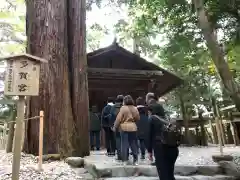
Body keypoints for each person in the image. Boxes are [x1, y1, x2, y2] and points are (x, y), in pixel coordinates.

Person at [147, 102, 179, 180]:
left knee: (163, 175)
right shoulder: (167, 119)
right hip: (173, 149)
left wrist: (149, 151)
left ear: (152, 111)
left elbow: (148, 136)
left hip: (161, 148)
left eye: (149, 111)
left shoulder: (152, 118)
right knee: (170, 174)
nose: (148, 113)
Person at [113, 95, 140, 165]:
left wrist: (115, 127)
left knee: (124, 144)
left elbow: (118, 119)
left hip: (124, 127)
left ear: (124, 101)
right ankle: (135, 160)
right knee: (133, 144)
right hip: (133, 127)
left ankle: (124, 160)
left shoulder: (123, 108)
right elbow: (138, 118)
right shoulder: (135, 108)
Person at [109, 95, 124, 161]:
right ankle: (125, 155)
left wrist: (112, 125)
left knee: (118, 140)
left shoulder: (113, 107)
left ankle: (119, 156)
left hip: (116, 126)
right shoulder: (124, 107)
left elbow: (111, 117)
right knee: (124, 141)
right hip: (124, 126)